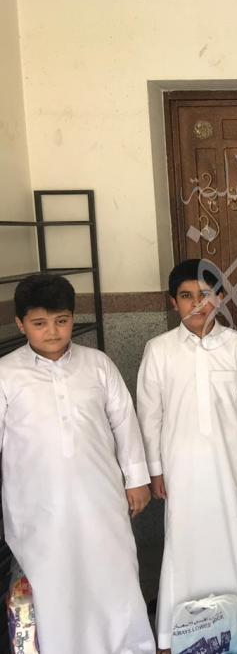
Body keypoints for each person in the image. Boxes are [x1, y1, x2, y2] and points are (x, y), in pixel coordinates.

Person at [0, 274, 155, 653]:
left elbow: (125, 422)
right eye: (39, 323)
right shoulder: (6, 374)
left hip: (100, 498)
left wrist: (136, 479)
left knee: (114, 573)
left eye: (61, 320)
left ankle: (128, 646)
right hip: (37, 507)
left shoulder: (97, 365)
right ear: (20, 324)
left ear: (73, 318)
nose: (52, 331)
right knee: (52, 583)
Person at [136, 259, 237, 651]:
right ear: (173, 302)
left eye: (206, 295)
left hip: (232, 466)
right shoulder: (159, 350)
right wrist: (155, 471)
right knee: (184, 544)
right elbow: (149, 415)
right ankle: (175, 631)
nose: (197, 304)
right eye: (186, 296)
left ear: (221, 298)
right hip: (180, 468)